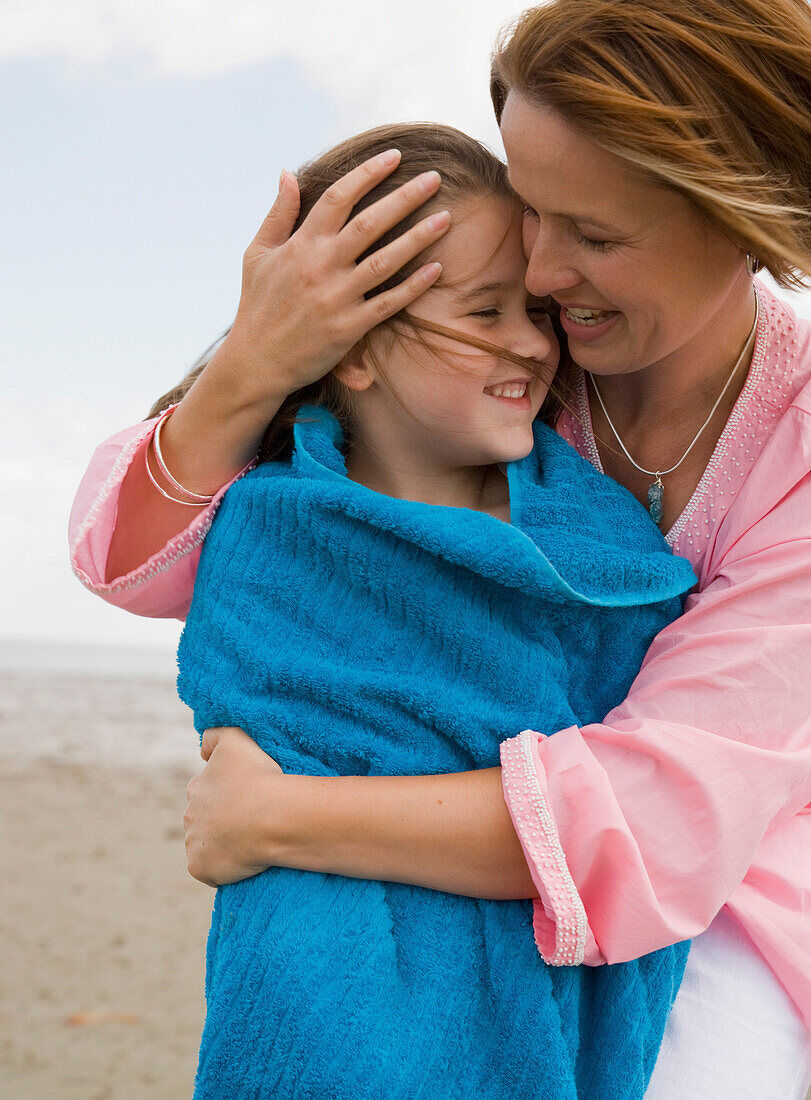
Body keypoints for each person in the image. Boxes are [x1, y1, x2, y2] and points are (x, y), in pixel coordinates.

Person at [69, 1, 811, 1096]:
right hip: (444, 822)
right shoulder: (496, 365)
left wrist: (277, 814)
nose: (545, 273)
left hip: (737, 880)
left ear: (743, 217)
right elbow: (151, 560)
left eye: (594, 236)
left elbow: (665, 814)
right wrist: (256, 367)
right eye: (532, 209)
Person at [173, 121, 695, 1099]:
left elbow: (637, 778)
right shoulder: (269, 522)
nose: (531, 342)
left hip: (528, 937)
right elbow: (248, 694)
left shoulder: (594, 548)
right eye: (484, 309)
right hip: (314, 945)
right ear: (356, 347)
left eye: (531, 310)